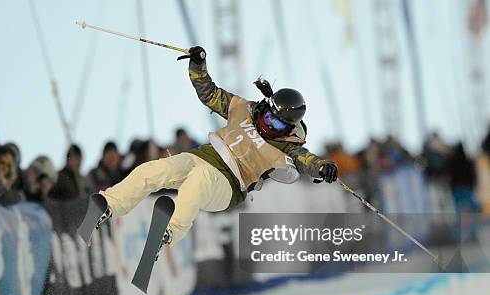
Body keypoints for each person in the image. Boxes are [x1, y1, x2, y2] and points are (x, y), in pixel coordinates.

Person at [92, 46, 338, 258]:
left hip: (230, 184)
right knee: (155, 169)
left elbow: (309, 161)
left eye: (277, 125)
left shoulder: (288, 146)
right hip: (204, 156)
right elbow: (209, 93)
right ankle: (110, 204)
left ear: (289, 128)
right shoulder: (244, 108)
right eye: (269, 116)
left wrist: (323, 167)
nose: (268, 124)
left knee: (199, 181)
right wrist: (198, 64)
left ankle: (169, 233)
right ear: (267, 106)